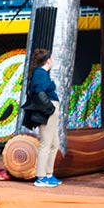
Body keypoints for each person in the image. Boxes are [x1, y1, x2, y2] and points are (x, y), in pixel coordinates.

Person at [29, 49, 62, 188]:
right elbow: (38, 92)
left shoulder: (44, 74)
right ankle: (41, 177)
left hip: (51, 110)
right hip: (48, 110)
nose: (53, 60)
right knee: (46, 144)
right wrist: (49, 108)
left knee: (55, 144)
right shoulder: (40, 73)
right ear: (48, 60)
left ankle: (49, 174)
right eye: (51, 58)